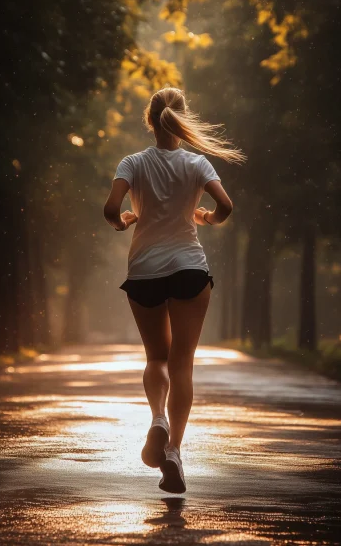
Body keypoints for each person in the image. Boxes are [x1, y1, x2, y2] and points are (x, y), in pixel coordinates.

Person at [104, 86, 245, 493]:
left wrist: (125, 222)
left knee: (157, 358)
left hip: (144, 270)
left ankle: (158, 420)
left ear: (150, 121)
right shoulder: (197, 164)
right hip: (189, 269)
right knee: (183, 363)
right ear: (182, 120)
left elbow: (110, 211)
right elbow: (227, 206)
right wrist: (207, 217)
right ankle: (175, 451)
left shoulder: (132, 163)